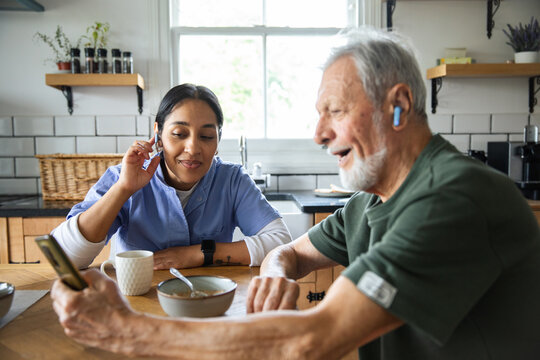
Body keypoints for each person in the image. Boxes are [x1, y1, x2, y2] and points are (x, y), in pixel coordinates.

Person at [51, 28, 540, 359]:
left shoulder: (455, 198)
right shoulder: (370, 203)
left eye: (334, 110)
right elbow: (287, 250)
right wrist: (279, 271)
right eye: (318, 115)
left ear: (399, 106)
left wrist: (126, 331)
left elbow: (314, 338)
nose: (319, 134)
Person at [51, 83, 292, 270]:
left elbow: (281, 243)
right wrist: (123, 189)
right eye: (179, 133)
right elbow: (63, 258)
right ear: (158, 134)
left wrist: (198, 254)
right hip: (136, 307)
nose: (193, 148)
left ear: (217, 141)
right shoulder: (122, 177)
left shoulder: (231, 180)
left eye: (206, 137)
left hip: (208, 303)